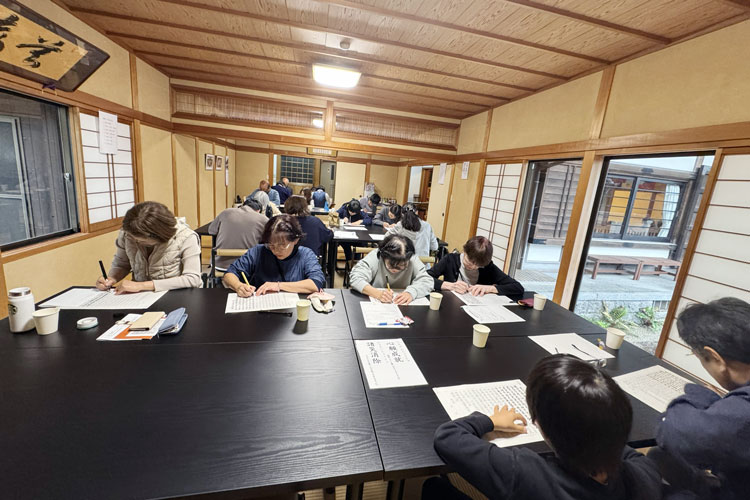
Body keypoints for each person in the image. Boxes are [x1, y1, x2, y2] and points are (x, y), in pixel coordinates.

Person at [426, 355, 662, 500]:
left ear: (540, 425)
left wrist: (490, 421)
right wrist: (598, 424)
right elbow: (628, 454)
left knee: (435, 487)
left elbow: (448, 437)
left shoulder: (523, 473)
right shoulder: (645, 476)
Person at [650, 297, 750, 500]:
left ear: (716, 359)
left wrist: (701, 394)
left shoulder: (742, 415)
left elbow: (669, 430)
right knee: (658, 457)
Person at [96, 201, 201, 293]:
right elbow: (122, 264)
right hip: (140, 296)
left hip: (176, 294)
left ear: (159, 235)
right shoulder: (127, 234)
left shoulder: (186, 237)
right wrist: (111, 278)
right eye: (133, 238)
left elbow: (192, 279)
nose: (136, 241)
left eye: (141, 240)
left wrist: (141, 285)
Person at [223, 215, 325, 296]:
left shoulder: (305, 255)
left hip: (294, 310)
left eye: (282, 245)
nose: (275, 250)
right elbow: (229, 274)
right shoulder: (258, 251)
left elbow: (316, 283)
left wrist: (278, 286)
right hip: (261, 308)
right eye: (271, 245)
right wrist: (238, 286)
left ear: (295, 240)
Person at [349, 234, 433, 305]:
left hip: (403, 307)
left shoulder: (412, 259)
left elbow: (427, 281)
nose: (395, 270)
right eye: (391, 265)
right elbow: (356, 277)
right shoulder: (376, 256)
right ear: (384, 257)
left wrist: (411, 292)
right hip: (375, 304)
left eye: (401, 266)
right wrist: (377, 293)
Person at [428, 236, 524, 297]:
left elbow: (517, 287)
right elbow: (424, 278)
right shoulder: (450, 260)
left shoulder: (488, 267)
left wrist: (489, 288)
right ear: (464, 251)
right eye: (469, 262)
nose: (473, 267)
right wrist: (450, 286)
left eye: (478, 265)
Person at [208, 198, 268, 269]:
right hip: (248, 267)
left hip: (219, 265)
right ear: (258, 210)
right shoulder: (263, 219)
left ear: (242, 205)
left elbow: (211, 231)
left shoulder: (226, 212)